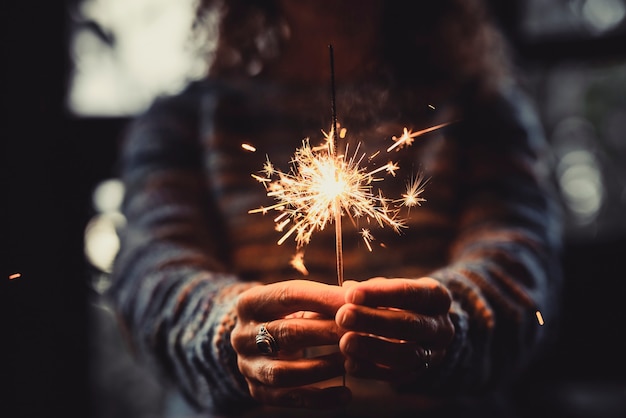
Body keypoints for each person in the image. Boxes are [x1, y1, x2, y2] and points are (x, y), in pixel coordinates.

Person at [107, 0, 562, 416]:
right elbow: (150, 278)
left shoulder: (480, 112)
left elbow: (518, 270)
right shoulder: (182, 124)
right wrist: (227, 333)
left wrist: (450, 326)